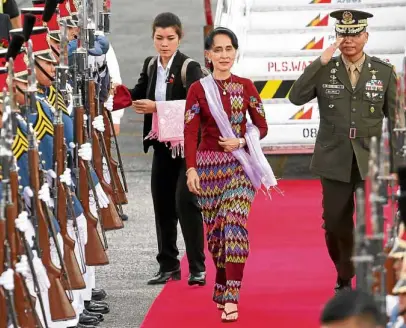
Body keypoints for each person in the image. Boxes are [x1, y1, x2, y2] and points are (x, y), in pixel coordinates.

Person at [289, 9, 399, 294]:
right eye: (343, 34)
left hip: (369, 159)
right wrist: (320, 61)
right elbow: (296, 97)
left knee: (368, 223)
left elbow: (398, 120)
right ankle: (344, 271)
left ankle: (365, 275)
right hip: (333, 158)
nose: (348, 39)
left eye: (354, 34)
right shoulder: (325, 68)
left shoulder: (383, 72)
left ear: (365, 36)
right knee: (335, 223)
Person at [184, 27, 275, 323]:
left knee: (234, 224)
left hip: (240, 166)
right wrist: (191, 168)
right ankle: (221, 283)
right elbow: (191, 130)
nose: (224, 55)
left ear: (235, 51)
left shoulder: (246, 86)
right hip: (208, 168)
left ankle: (232, 295)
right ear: (208, 55)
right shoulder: (198, 89)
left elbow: (261, 126)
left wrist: (241, 140)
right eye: (218, 50)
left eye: (229, 49)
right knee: (216, 237)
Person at [114, 12, 206, 286]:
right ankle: (168, 265)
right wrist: (112, 93)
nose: (164, 43)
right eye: (159, 38)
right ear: (153, 37)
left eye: (170, 38)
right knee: (162, 204)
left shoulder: (190, 67)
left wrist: (158, 107)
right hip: (162, 145)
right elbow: (138, 92)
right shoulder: (151, 64)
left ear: (179, 38)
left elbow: (196, 107)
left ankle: (197, 267)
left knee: (185, 202)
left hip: (187, 147)